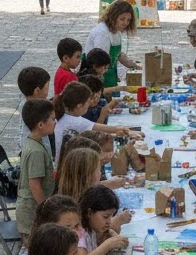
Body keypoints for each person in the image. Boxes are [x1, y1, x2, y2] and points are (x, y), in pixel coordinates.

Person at [52, 82, 134, 166]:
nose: (89, 105)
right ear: (79, 106)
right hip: (70, 166)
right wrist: (128, 131)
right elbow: (107, 129)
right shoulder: (75, 122)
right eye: (88, 102)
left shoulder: (64, 116)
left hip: (63, 163)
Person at [17, 98, 56, 240]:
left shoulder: (33, 142)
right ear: (40, 124)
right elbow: (35, 185)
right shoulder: (36, 152)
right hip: (32, 214)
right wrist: (46, 212)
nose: (55, 122)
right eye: (52, 119)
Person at [84, 0, 140, 89]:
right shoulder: (102, 33)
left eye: (128, 20)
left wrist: (132, 64)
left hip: (109, 73)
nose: (125, 23)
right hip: (97, 76)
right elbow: (100, 63)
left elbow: (118, 54)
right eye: (122, 19)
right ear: (113, 16)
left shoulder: (116, 31)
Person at [76, 184, 130, 255]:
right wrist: (107, 245)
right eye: (106, 216)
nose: (109, 222)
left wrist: (113, 237)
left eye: (112, 216)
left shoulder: (93, 227)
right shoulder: (78, 233)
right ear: (89, 213)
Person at [16, 67, 51, 155]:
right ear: (37, 91)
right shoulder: (36, 109)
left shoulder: (25, 102)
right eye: (46, 88)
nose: (48, 92)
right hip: (37, 149)